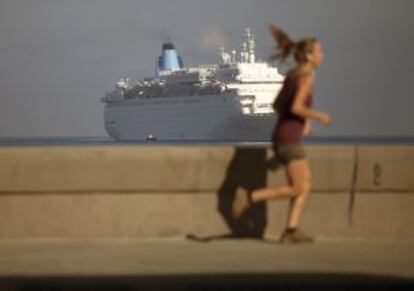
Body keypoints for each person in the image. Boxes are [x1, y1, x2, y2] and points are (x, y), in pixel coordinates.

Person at [233, 25, 332, 243]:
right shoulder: (306, 77)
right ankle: (251, 196)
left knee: (305, 185)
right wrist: (317, 116)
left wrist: (300, 124)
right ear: (308, 55)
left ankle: (291, 230)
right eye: (319, 51)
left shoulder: (292, 75)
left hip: (284, 134)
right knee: (299, 186)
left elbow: (278, 105)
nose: (322, 55)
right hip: (289, 139)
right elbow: (296, 107)